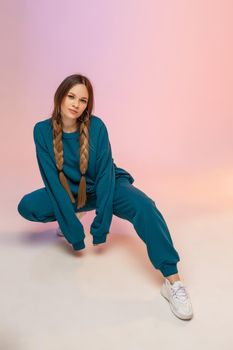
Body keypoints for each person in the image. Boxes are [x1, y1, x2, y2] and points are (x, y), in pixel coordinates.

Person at [17, 73, 193, 320]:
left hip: (105, 185)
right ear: (59, 96)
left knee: (145, 207)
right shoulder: (41, 131)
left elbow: (105, 177)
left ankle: (172, 281)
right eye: (71, 96)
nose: (76, 104)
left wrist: (101, 225)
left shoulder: (96, 127)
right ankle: (76, 212)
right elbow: (52, 183)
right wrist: (74, 232)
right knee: (27, 206)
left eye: (83, 100)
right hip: (68, 192)